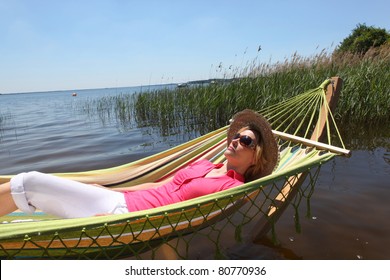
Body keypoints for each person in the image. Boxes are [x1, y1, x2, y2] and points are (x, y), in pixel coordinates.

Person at [0, 109, 279, 219]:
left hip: (125, 215)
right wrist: (114, 190)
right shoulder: (204, 163)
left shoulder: (233, 187)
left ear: (257, 157)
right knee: (25, 185)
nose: (236, 141)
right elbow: (160, 185)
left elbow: (179, 215)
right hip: (121, 200)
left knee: (28, 183)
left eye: (247, 141)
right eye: (236, 137)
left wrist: (121, 219)